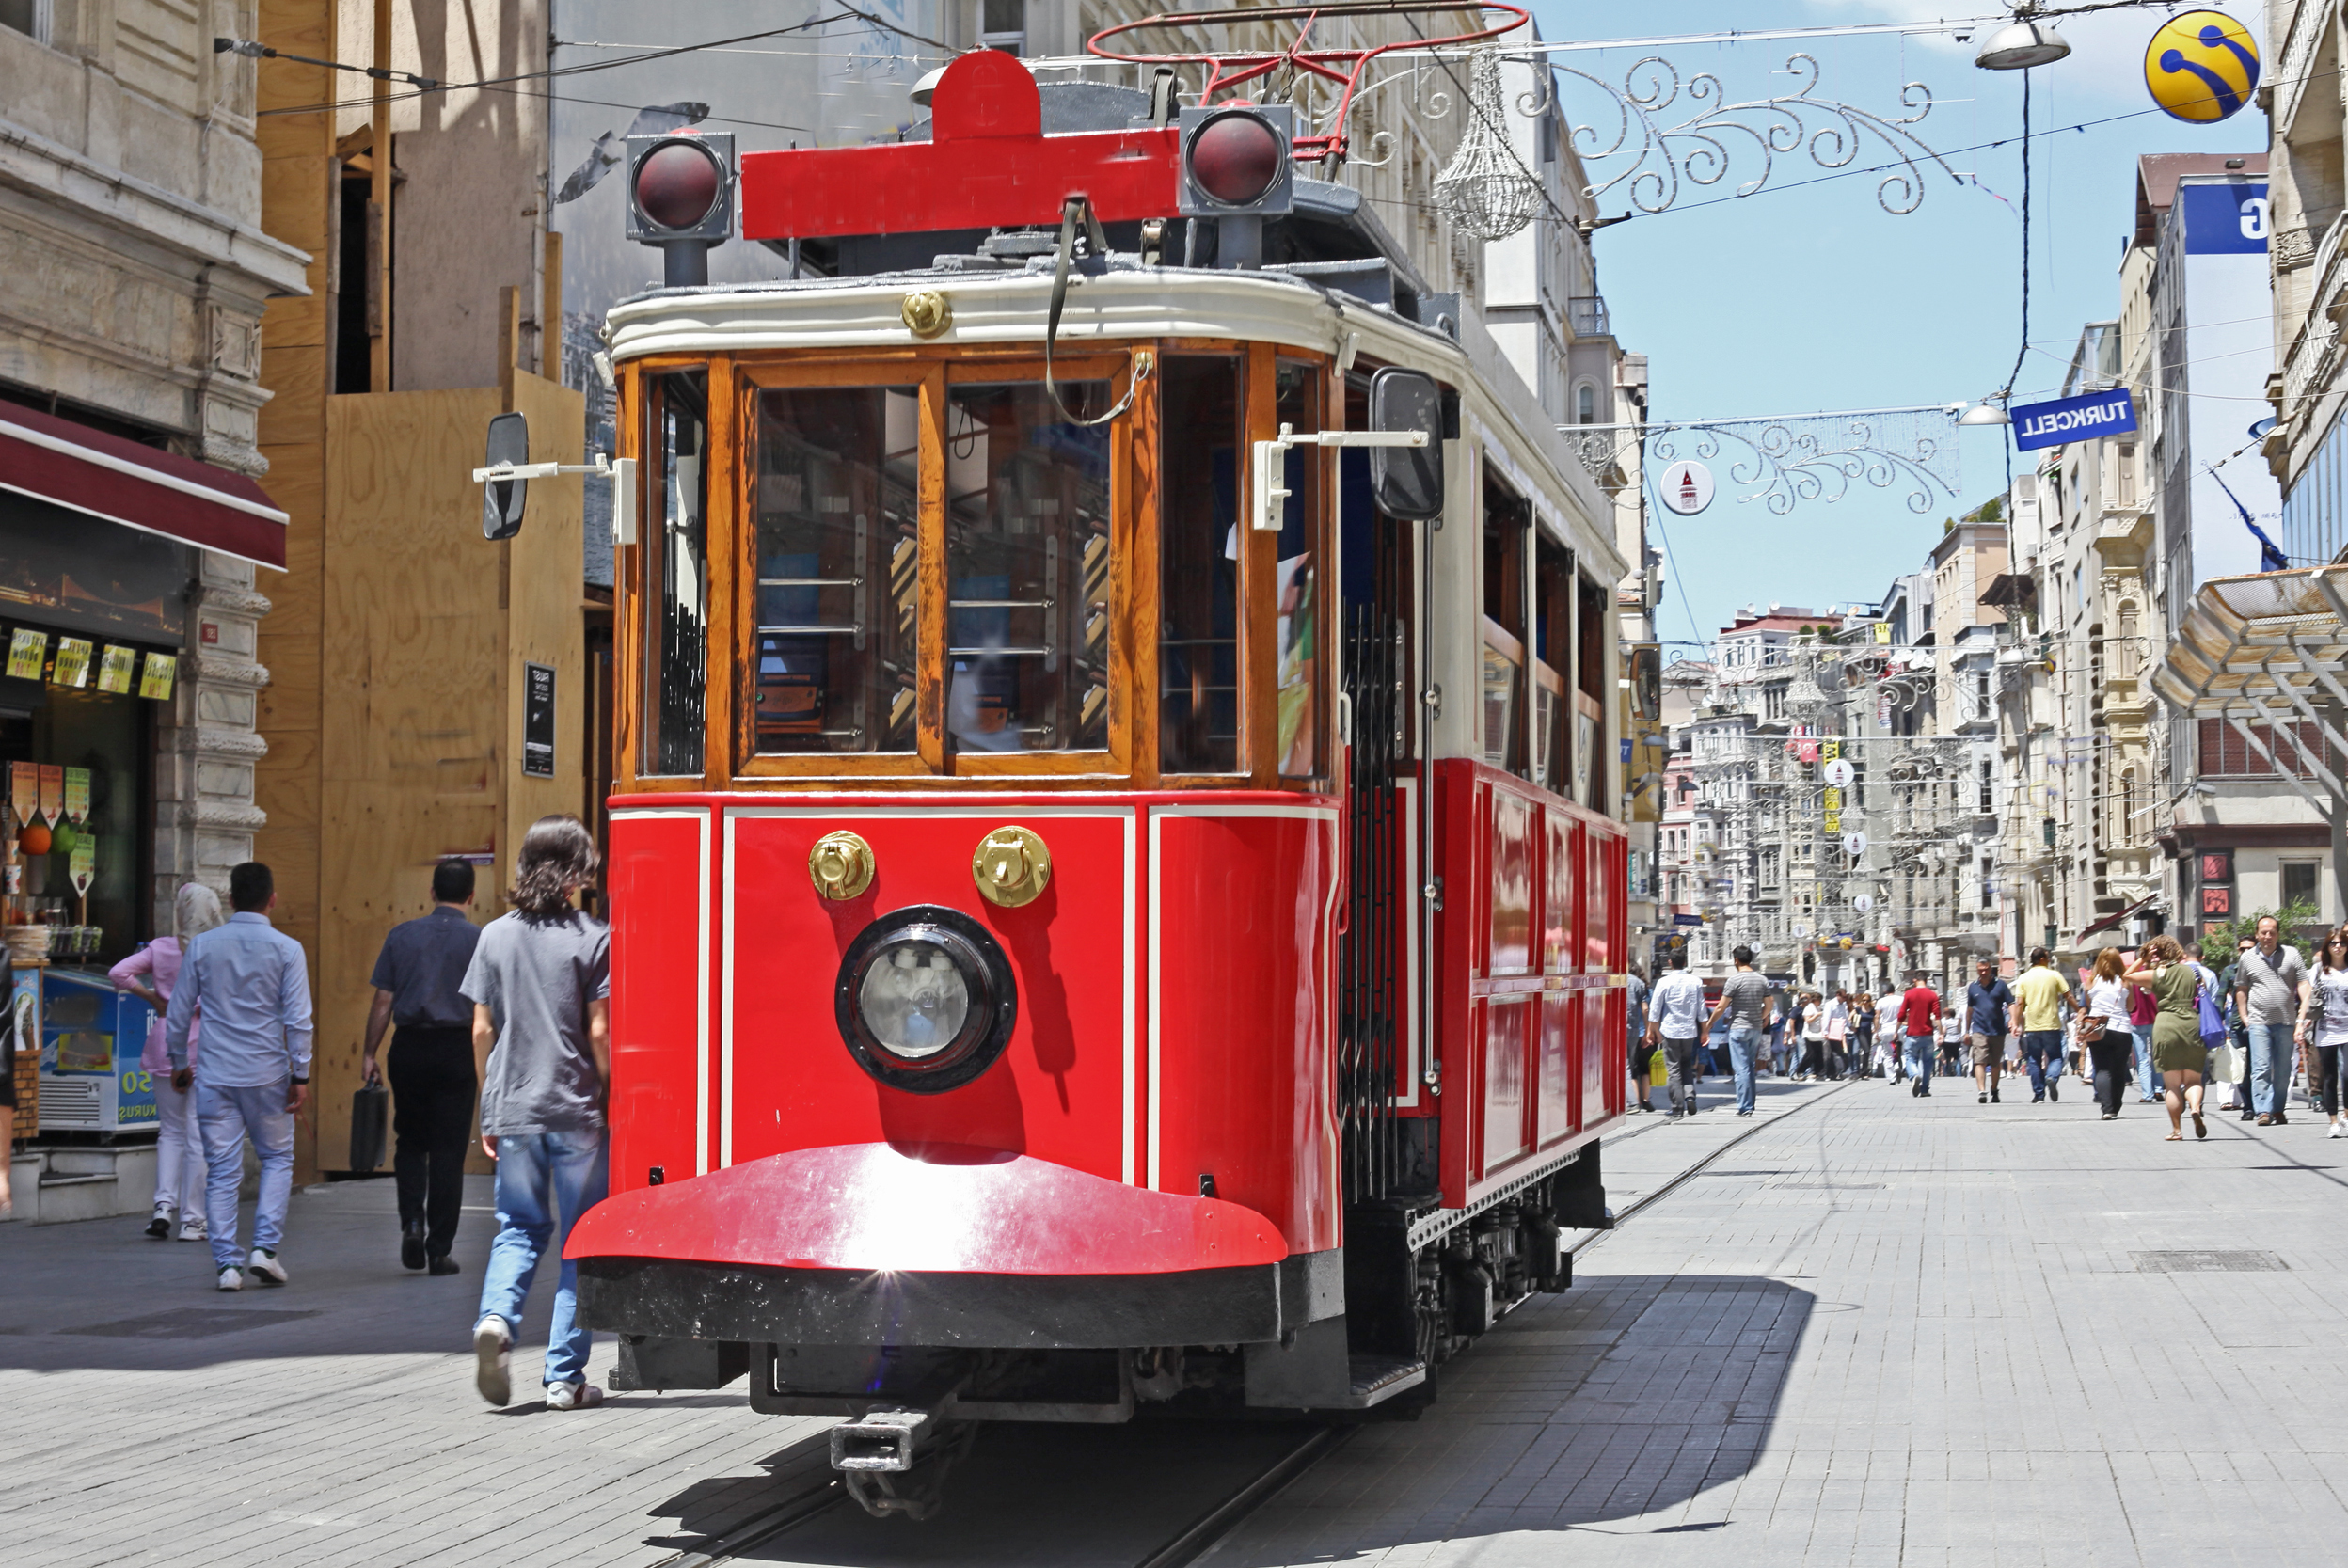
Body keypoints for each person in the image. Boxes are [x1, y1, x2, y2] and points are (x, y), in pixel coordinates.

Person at [468, 816, 612, 1411]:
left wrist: (489, 1110)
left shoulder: (493, 937)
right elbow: (600, 1030)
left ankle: (497, 1322)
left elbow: (481, 1030)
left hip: (514, 1106)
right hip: (575, 1105)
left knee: (519, 1228)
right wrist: (612, 1094)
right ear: (576, 872)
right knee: (581, 1239)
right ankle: (563, 1378)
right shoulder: (593, 936)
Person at [165, 863, 313, 1291]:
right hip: (268, 1072)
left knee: (222, 1170)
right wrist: (299, 1073)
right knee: (277, 1158)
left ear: (230, 900)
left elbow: (179, 1012)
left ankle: (227, 1264)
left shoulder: (203, 946)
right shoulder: (288, 949)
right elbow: (299, 1019)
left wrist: (179, 1062)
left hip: (214, 1073)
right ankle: (264, 1249)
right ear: (272, 899)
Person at [362, 857, 484, 1275]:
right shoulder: (479, 940)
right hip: (457, 1050)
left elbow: (383, 1002)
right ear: (471, 895)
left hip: (409, 1046)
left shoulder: (402, 936)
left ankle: (412, 1221)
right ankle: (439, 1249)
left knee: (410, 1141)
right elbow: (490, 1009)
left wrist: (368, 1053)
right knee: (449, 1150)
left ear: (432, 893)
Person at [110, 883, 225, 1241]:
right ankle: (193, 1220)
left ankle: (162, 1207)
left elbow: (118, 973)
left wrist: (151, 998)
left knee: (170, 1131)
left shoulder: (160, 947)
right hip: (206, 1043)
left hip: (165, 1041)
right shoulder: (217, 949)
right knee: (197, 1133)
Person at [2124, 935, 2208, 1141]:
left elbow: (2127, 975)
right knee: (2193, 1079)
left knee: (2171, 1085)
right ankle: (2195, 1108)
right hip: (2191, 1023)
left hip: (2166, 1024)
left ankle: (2177, 1130)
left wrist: (2143, 958)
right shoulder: (2193, 972)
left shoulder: (2155, 975)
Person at [2234, 915, 2310, 1127]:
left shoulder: (2291, 954)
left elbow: (2303, 983)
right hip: (2258, 1022)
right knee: (2261, 1068)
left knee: (2284, 1070)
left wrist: (2304, 1010)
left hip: (2286, 1021)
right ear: (2257, 934)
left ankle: (2278, 1109)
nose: (2268, 936)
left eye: (2272, 932)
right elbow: (2241, 988)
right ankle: (2263, 1111)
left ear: (2278, 934)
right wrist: (2244, 1016)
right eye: (2263, 932)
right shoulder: (2247, 957)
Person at [1705, 945, 1770, 1117]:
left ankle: (1744, 1106)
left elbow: (1721, 1007)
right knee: (1749, 1066)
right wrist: (1761, 1016)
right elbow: (1769, 1004)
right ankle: (1750, 1104)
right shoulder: (1762, 980)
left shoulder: (1734, 981)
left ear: (1736, 960)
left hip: (1738, 1029)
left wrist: (1710, 1023)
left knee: (1741, 1068)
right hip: (1755, 1028)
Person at [2296, 928, 2348, 1139]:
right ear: (2327, 947)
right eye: (2333, 943)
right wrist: (2300, 1023)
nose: (2338, 946)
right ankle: (2334, 1121)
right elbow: (2307, 999)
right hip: (2326, 1030)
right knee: (2329, 1076)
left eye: (2342, 943)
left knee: (2347, 1075)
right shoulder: (2318, 970)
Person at [1645, 952, 1706, 1120]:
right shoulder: (1695, 981)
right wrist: (1705, 1030)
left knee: (1673, 1069)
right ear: (1685, 962)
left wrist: (1651, 1030)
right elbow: (1701, 1009)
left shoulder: (1664, 982)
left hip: (1670, 1030)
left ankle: (1677, 1107)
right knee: (1686, 1064)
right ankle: (1690, 1096)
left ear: (1670, 962)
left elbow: (1655, 1008)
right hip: (1689, 1031)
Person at [2081, 947, 2135, 1119]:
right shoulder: (2125, 982)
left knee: (2102, 1069)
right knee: (2119, 1069)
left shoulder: (2090, 982)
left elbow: (2089, 1004)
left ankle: (2106, 1108)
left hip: (2097, 1028)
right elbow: (2131, 1007)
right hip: (2121, 1028)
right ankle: (2115, 1106)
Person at [2013, 947, 2069, 1105]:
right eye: (2048, 956)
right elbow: (2068, 995)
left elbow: (2019, 1003)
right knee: (2056, 1057)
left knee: (2034, 1060)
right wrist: (2080, 1011)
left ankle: (2039, 1095)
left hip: (2032, 1025)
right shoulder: (2054, 975)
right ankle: (2051, 1077)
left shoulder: (2023, 978)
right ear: (2043, 959)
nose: (2050, 958)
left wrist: (2016, 1023)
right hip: (2051, 1024)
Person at [1964, 958, 2016, 1106]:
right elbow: (1970, 1010)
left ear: (1991, 969)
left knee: (1995, 1063)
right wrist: (1967, 1031)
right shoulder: (1973, 988)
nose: (1984, 972)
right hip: (1979, 1030)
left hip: (1997, 1030)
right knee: (1979, 1060)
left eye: (1986, 969)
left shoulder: (2000, 985)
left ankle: (1994, 1089)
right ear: (1977, 970)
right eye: (1981, 970)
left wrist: (2013, 1019)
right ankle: (1982, 1091)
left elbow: (2011, 1003)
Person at [2218, 936, 2256, 1116]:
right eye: (2242, 949)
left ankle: (2260, 1106)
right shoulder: (2229, 971)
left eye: (2250, 948)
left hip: (2260, 1023)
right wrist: (2216, 1022)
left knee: (2259, 1066)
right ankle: (2248, 1106)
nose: (2246, 952)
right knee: (2240, 1068)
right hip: (2237, 1026)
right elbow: (2220, 997)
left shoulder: (2262, 970)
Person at [1896, 972, 1942, 1097]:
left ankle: (1915, 1075)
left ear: (1915, 980)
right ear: (1926, 980)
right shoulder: (1932, 995)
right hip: (1927, 1034)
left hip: (1912, 1033)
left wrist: (1896, 1030)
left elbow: (1901, 1014)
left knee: (1910, 1058)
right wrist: (1941, 1032)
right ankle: (1925, 1089)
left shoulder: (1909, 994)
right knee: (1927, 1062)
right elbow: (1937, 1015)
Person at [1624, 963, 1653, 1113]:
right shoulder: (1639, 983)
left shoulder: (1617, 979)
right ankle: (1631, 1100)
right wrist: (1648, 1031)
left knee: (1625, 1066)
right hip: (1634, 1031)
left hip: (1619, 1029)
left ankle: (1632, 1101)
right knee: (1630, 1064)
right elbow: (1645, 1008)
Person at [1823, 990, 1849, 1080]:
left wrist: (1849, 1027)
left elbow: (1844, 1018)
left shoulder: (1843, 1005)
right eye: (1843, 997)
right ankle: (1830, 1073)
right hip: (1832, 1031)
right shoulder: (1830, 1004)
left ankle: (1836, 1072)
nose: (1845, 999)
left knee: (1838, 1052)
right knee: (1831, 1053)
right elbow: (1826, 1018)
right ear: (1838, 995)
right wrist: (1825, 1032)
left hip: (1840, 1031)